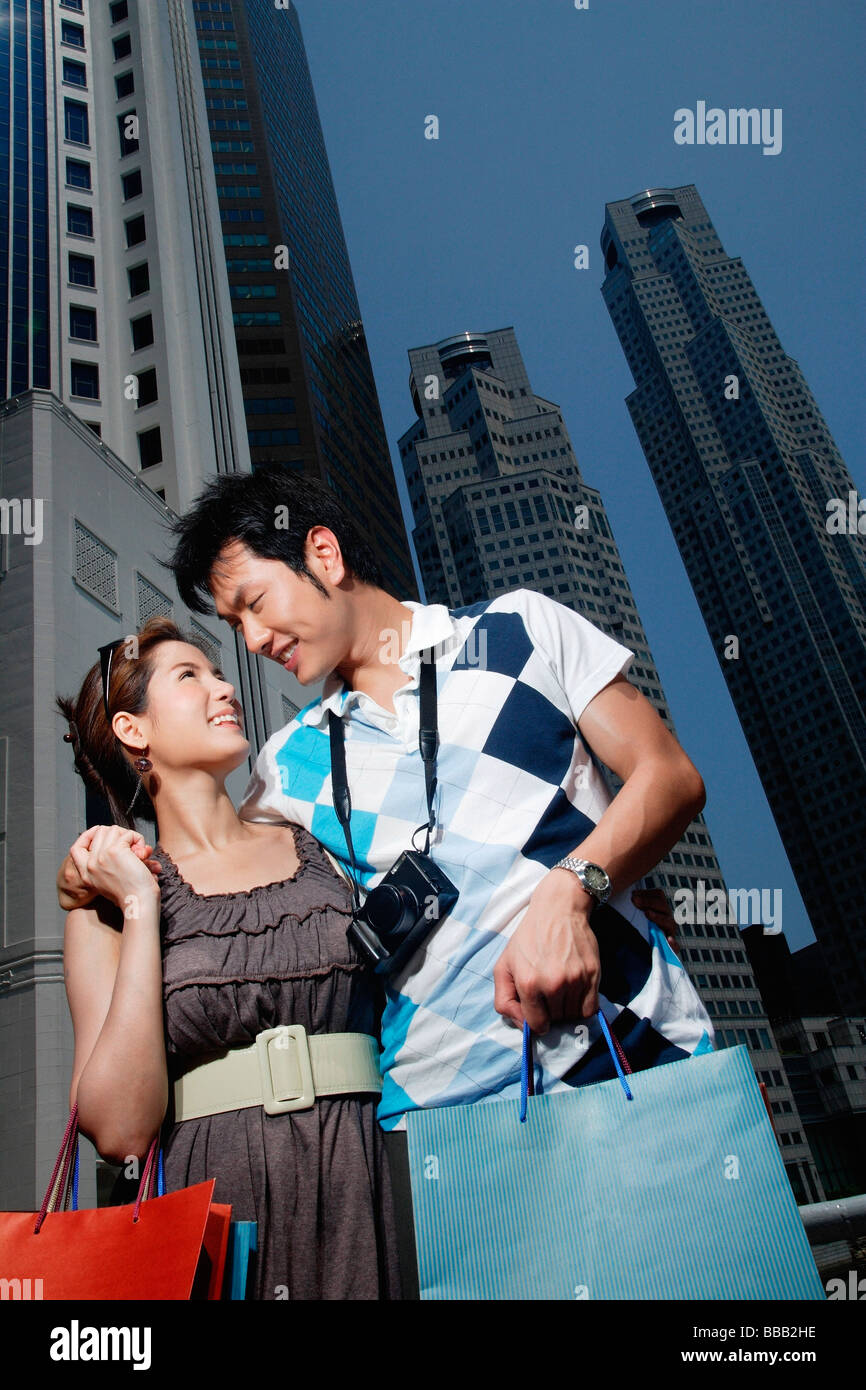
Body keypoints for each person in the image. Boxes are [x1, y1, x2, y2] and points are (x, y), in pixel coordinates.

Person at [59, 467, 714, 1295]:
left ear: (322, 554)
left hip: (633, 1051)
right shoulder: (284, 771)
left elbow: (668, 777)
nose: (250, 644)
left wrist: (577, 888)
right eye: (230, 626)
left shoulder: (521, 629)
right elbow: (223, 891)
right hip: (447, 1139)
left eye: (253, 604)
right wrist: (97, 877)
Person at [56, 615, 400, 1300]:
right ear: (134, 730)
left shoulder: (320, 836)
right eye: (191, 677)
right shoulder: (102, 898)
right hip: (218, 1200)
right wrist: (142, 908)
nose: (223, 689)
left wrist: (599, 891)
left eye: (219, 674)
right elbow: (121, 1129)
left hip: (369, 1168)